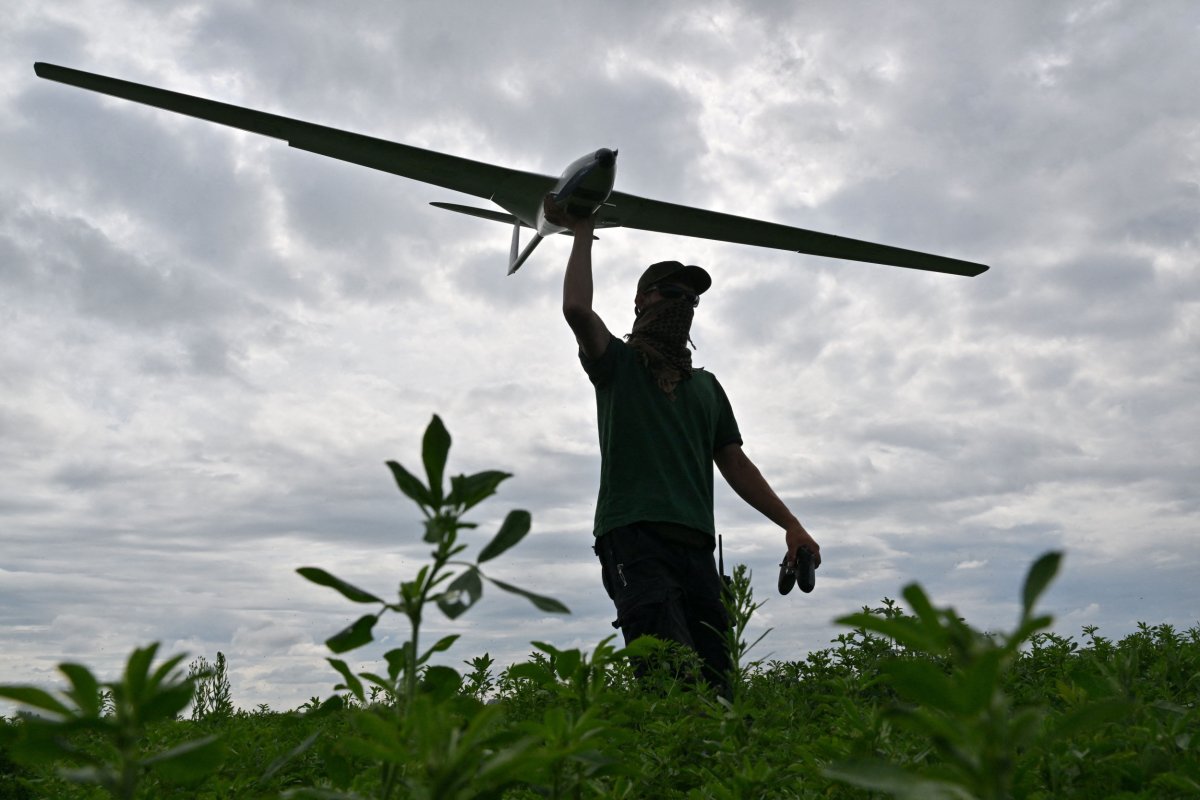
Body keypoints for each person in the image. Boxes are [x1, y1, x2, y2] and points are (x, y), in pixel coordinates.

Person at [555, 202, 822, 694]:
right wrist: (582, 229)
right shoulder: (618, 365)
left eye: (691, 298)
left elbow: (735, 463)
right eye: (671, 292)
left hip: (697, 547)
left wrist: (792, 525)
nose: (683, 302)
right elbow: (576, 310)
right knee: (668, 680)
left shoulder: (707, 388)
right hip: (634, 539)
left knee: (719, 683)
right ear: (641, 301)